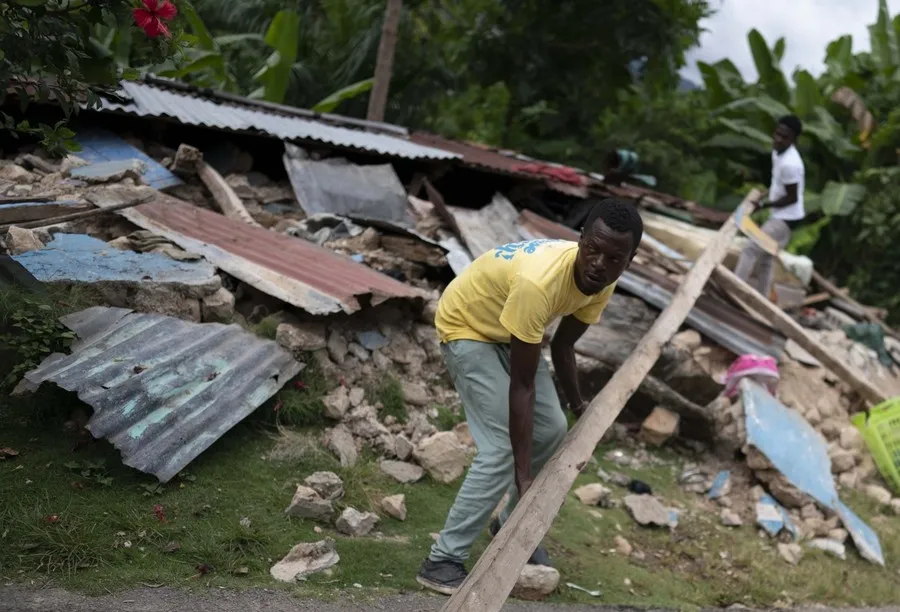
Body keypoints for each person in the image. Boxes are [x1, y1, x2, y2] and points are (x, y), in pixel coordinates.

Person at [415, 198, 644, 595]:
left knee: (552, 427)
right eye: (592, 249)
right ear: (580, 239)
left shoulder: (603, 281)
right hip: (468, 326)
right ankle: (442, 560)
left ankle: (507, 523)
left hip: (513, 331)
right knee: (501, 448)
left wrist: (577, 406)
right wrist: (523, 475)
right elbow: (521, 387)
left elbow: (564, 347)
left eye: (613, 258)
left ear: (629, 259)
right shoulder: (539, 283)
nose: (598, 263)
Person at [734, 115, 805, 298]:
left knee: (750, 249)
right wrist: (766, 194)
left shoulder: (791, 164)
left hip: (786, 219)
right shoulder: (778, 152)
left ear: (793, 140)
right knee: (766, 257)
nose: (778, 139)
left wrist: (764, 204)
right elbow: (778, 184)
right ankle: (762, 299)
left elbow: (792, 198)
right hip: (780, 214)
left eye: (784, 137)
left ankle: (732, 290)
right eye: (777, 134)